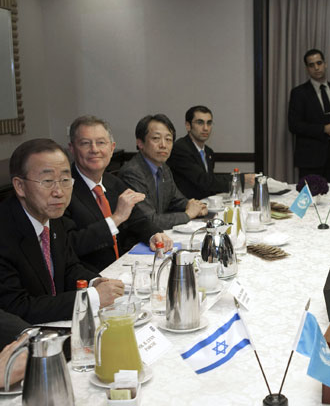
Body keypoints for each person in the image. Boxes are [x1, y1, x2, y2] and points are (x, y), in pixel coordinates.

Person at [0, 139, 124, 324]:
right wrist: (91, 298)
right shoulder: (5, 232)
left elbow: (69, 268)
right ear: (20, 186)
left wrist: (95, 282)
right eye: (48, 181)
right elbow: (18, 307)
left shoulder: (53, 216)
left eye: (65, 180)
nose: (59, 192)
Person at [64, 115, 173, 272]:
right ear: (72, 149)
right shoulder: (63, 190)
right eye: (85, 143)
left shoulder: (112, 182)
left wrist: (154, 234)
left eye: (101, 143)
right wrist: (115, 219)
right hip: (89, 278)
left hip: (122, 270)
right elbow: (70, 245)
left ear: (111, 148)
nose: (94, 149)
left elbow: (137, 219)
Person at [119, 114, 208, 230]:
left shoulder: (164, 168)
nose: (163, 145)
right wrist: (188, 215)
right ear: (140, 143)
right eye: (156, 138)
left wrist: (195, 206)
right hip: (136, 241)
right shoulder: (132, 173)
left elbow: (176, 200)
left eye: (168, 139)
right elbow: (149, 220)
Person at [288, 49, 330, 182]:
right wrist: (323, 129)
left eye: (319, 63)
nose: (316, 68)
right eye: (312, 65)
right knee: (310, 201)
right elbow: (294, 125)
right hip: (310, 160)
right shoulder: (299, 93)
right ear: (307, 69)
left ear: (325, 64)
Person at [167, 105, 254, 200]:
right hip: (185, 207)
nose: (205, 128)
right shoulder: (180, 149)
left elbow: (211, 183)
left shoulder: (209, 152)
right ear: (188, 126)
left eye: (209, 123)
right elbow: (204, 181)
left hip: (205, 204)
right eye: (200, 123)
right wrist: (239, 179)